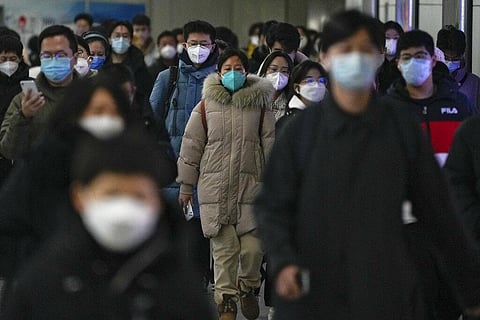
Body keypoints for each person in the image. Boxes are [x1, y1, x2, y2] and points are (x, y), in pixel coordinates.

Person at [255, 9, 480, 320]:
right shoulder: (299, 132)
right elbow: (272, 205)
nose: (355, 59)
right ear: (325, 57)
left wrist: (470, 290)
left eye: (365, 50)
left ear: (379, 57)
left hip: (385, 287)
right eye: (345, 50)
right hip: (314, 288)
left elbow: (439, 210)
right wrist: (284, 259)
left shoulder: (401, 128)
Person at [3, 129, 215, 320]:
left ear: (157, 201)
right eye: (111, 194)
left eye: (137, 196)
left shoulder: (180, 291)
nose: (123, 208)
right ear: (79, 197)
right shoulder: (43, 282)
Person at [177, 48, 275, 320]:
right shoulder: (206, 106)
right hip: (215, 191)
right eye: (227, 68)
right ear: (219, 73)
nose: (233, 73)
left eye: (238, 68)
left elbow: (269, 145)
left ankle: (248, 288)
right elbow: (191, 147)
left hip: (251, 190)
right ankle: (226, 303)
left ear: (247, 72)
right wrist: (186, 186)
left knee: (253, 251)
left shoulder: (260, 105)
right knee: (224, 253)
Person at [150, 19, 219, 291]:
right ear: (184, 45)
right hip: (170, 171)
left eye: (204, 44)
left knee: (199, 235)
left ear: (214, 46)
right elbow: (151, 121)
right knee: (169, 234)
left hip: (207, 172)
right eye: (193, 43)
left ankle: (197, 286)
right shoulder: (168, 78)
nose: (198, 49)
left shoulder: (220, 81)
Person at [383, 29, 477, 167]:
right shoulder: (387, 109)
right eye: (407, 57)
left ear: (433, 61)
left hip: (450, 187)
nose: (414, 63)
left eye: (420, 56)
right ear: (398, 63)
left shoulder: (460, 106)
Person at [0, 25, 78, 160]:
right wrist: (23, 116)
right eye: (47, 55)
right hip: (37, 178)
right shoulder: (24, 99)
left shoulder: (93, 97)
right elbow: (9, 151)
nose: (54, 60)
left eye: (61, 55)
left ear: (75, 58)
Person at [0, 35, 30, 182]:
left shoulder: (29, 84)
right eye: (3, 59)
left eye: (13, 59)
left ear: (20, 59)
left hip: (18, 154)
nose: (8, 64)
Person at [105, 20, 152, 112]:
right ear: (110, 39)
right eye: (117, 36)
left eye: (125, 36)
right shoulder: (103, 61)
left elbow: (145, 93)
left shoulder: (139, 63)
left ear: (130, 40)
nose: (121, 39)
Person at [437, 25, 480, 110]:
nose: (450, 62)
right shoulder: (428, 82)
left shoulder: (474, 83)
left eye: (455, 59)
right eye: (446, 58)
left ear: (462, 55)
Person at [276, 60, 327, 130]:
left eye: (321, 80)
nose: (316, 85)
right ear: (297, 88)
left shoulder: (328, 114)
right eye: (310, 81)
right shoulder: (288, 122)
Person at [257, 51, 293, 120]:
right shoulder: (254, 101)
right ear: (265, 72)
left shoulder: (291, 103)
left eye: (284, 71)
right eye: (274, 69)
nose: (278, 75)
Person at [377, 21, 404, 94]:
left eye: (395, 38)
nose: (391, 41)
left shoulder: (404, 64)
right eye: (387, 38)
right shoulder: (376, 63)